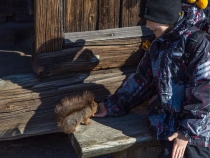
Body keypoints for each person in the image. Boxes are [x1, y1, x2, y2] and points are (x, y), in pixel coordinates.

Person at [93, 0, 210, 158]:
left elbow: (204, 90)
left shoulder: (197, 43)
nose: (147, 25)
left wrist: (186, 132)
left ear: (165, 15)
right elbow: (141, 81)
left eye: (150, 18)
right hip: (168, 124)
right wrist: (111, 105)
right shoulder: (159, 44)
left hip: (197, 129)